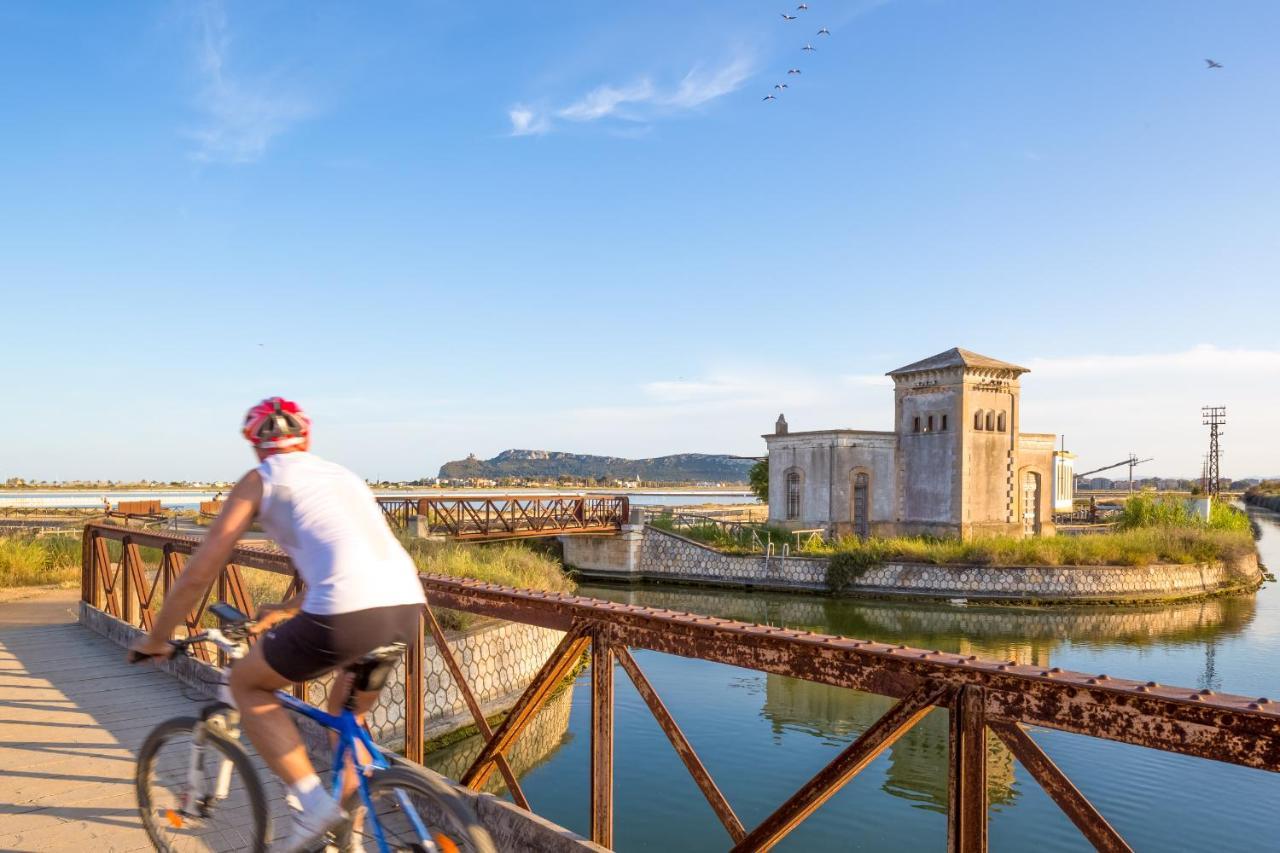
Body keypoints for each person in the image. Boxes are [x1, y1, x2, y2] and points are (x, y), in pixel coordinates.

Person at [129, 397, 427, 851]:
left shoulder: (260, 480)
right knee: (346, 721)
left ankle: (313, 809)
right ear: (307, 438)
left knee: (250, 686)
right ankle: (352, 836)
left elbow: (200, 570)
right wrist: (287, 610)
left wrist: (155, 638)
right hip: (404, 606)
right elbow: (353, 563)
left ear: (255, 445)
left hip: (344, 615)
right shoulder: (342, 476)